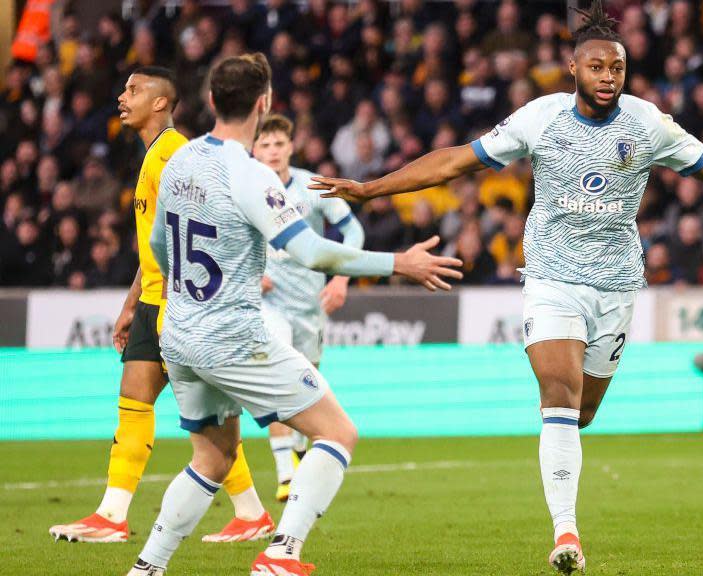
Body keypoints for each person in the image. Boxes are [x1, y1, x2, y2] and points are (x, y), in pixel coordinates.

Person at [311, 3, 703, 573]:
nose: (608, 78)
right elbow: (455, 163)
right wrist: (372, 189)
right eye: (597, 68)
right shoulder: (540, 118)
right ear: (573, 69)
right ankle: (567, 534)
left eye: (616, 68)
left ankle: (565, 460)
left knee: (581, 412)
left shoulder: (647, 123)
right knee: (558, 398)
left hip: (615, 285)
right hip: (551, 279)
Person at [125, 53, 460, 576]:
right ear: (265, 104)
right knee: (338, 433)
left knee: (212, 459)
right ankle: (283, 553)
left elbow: (160, 250)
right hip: (232, 336)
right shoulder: (253, 175)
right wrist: (399, 262)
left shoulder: (180, 160)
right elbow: (312, 253)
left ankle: (147, 567)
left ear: (212, 100)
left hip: (181, 333)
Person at [49, 66, 274, 544]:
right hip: (155, 299)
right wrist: (132, 304)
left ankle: (250, 513)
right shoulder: (154, 156)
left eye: (134, 90)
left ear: (160, 103)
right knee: (138, 401)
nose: (121, 96)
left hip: (179, 304)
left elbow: (202, 228)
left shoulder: (173, 153)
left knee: (207, 420)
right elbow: (159, 243)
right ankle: (114, 515)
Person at [250, 113, 365, 505]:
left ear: (290, 146)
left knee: (307, 382)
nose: (272, 151)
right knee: (279, 374)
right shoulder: (244, 187)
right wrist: (250, 276)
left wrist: (341, 278)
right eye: (264, 145)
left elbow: (353, 229)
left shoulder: (311, 187)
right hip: (266, 304)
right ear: (254, 149)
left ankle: (296, 451)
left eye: (278, 144)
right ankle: (285, 476)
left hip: (310, 304)